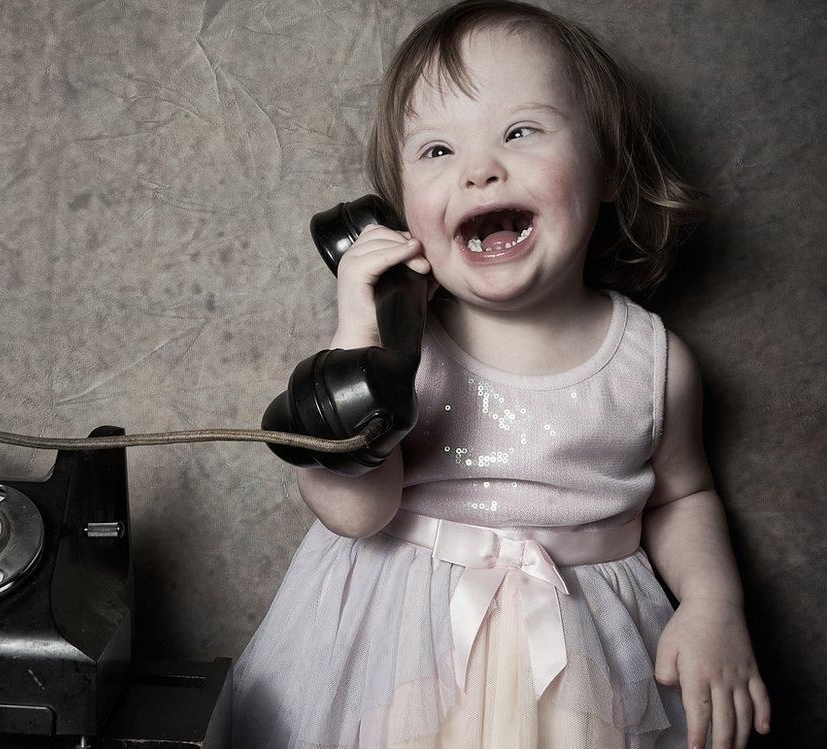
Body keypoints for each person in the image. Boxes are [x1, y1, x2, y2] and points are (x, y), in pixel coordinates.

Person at [232, 2, 772, 747]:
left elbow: (683, 495)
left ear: (607, 167)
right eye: (436, 152)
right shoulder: (404, 349)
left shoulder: (655, 363)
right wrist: (363, 342)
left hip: (583, 672)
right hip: (400, 656)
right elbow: (353, 514)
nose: (481, 168)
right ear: (398, 214)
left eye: (520, 132)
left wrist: (714, 601)